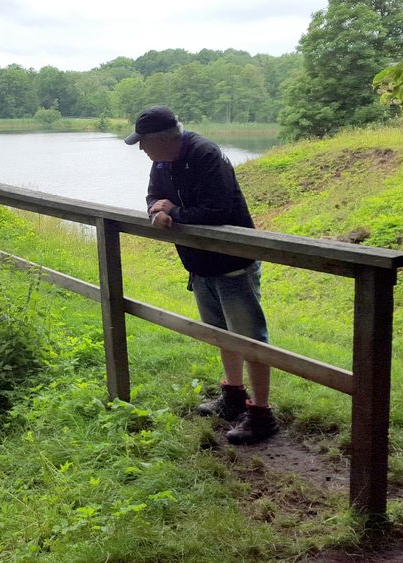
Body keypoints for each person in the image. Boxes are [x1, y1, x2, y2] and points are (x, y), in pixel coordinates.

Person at [124, 105, 278, 445]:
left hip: (233, 264)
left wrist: (173, 212)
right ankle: (234, 397)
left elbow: (218, 211)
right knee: (221, 334)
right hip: (200, 265)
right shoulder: (161, 162)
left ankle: (261, 414)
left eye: (144, 142)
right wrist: (155, 209)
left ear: (163, 139)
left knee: (250, 339)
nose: (141, 149)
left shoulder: (205, 155)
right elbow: (154, 196)